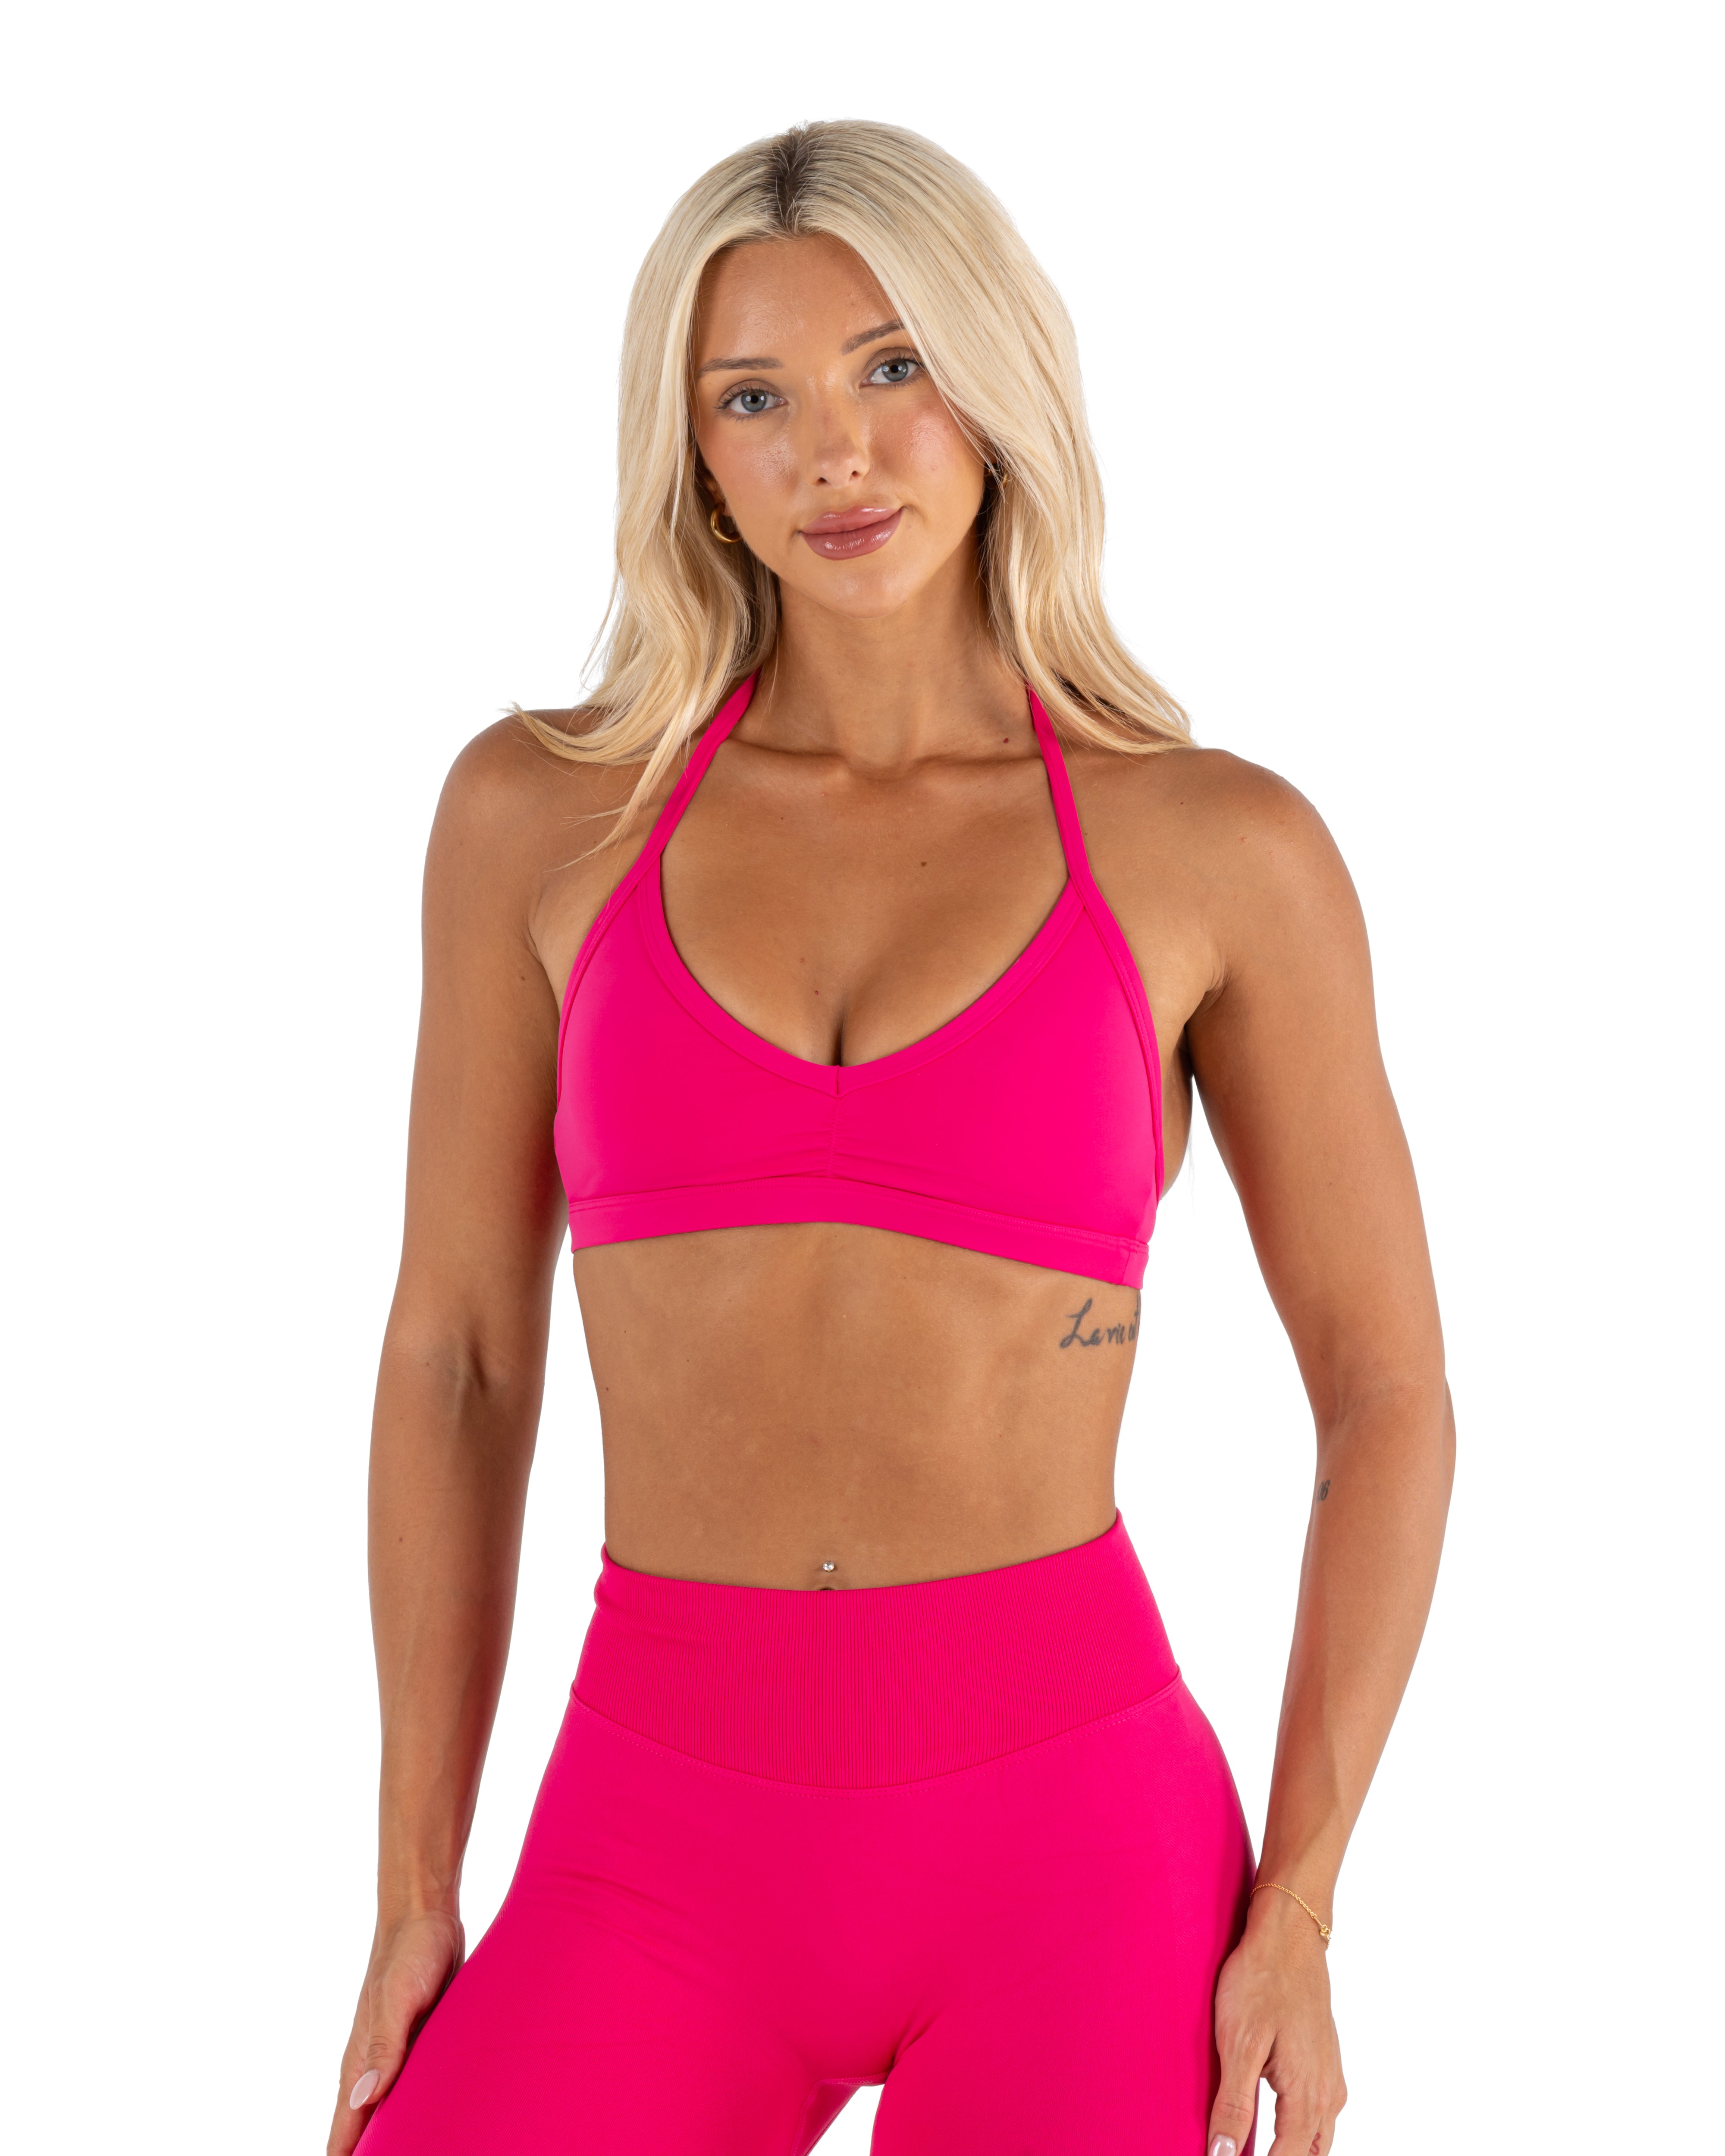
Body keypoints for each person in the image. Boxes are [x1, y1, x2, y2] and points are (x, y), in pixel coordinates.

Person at [329, 120, 1453, 2156]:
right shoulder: (542, 814)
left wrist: (1296, 1904)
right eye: (750, 397)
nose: (833, 454)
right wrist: (417, 1881)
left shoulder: (1214, 846)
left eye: (891, 366)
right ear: (689, 453)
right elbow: (459, 1355)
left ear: (997, 382)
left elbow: (1385, 1392)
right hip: (651, 1834)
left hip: (1073, 1846)